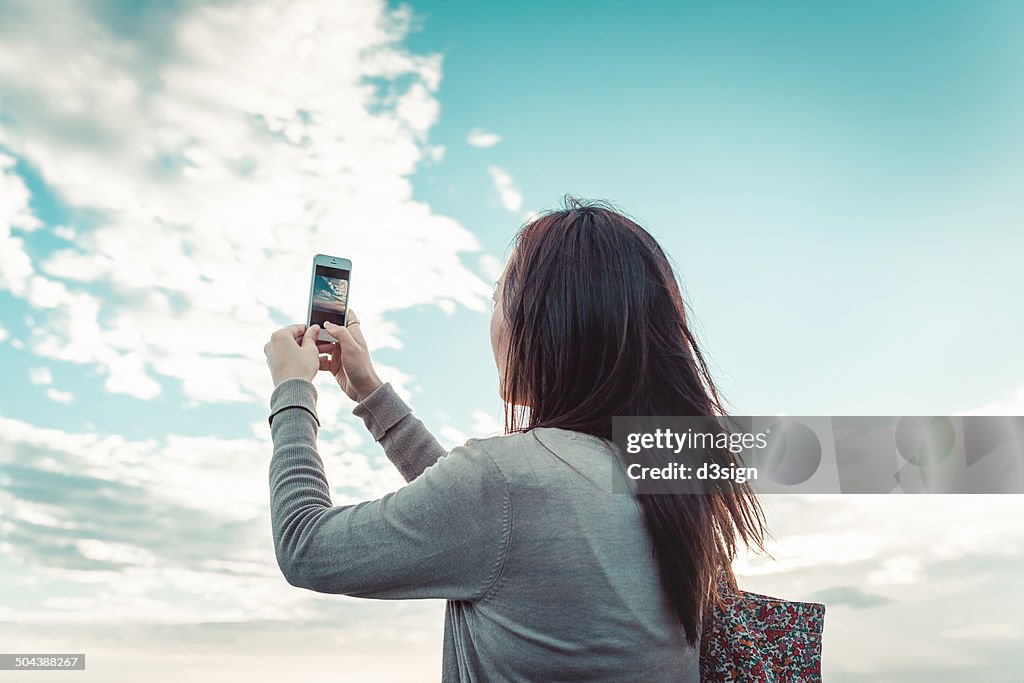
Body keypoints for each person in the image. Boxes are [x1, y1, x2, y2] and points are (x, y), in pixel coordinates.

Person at [262, 196, 767, 682]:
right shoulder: (672, 468)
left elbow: (306, 548)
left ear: (546, 317)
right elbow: (497, 522)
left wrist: (293, 389)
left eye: (498, 296)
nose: (493, 319)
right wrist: (370, 394)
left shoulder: (507, 481)